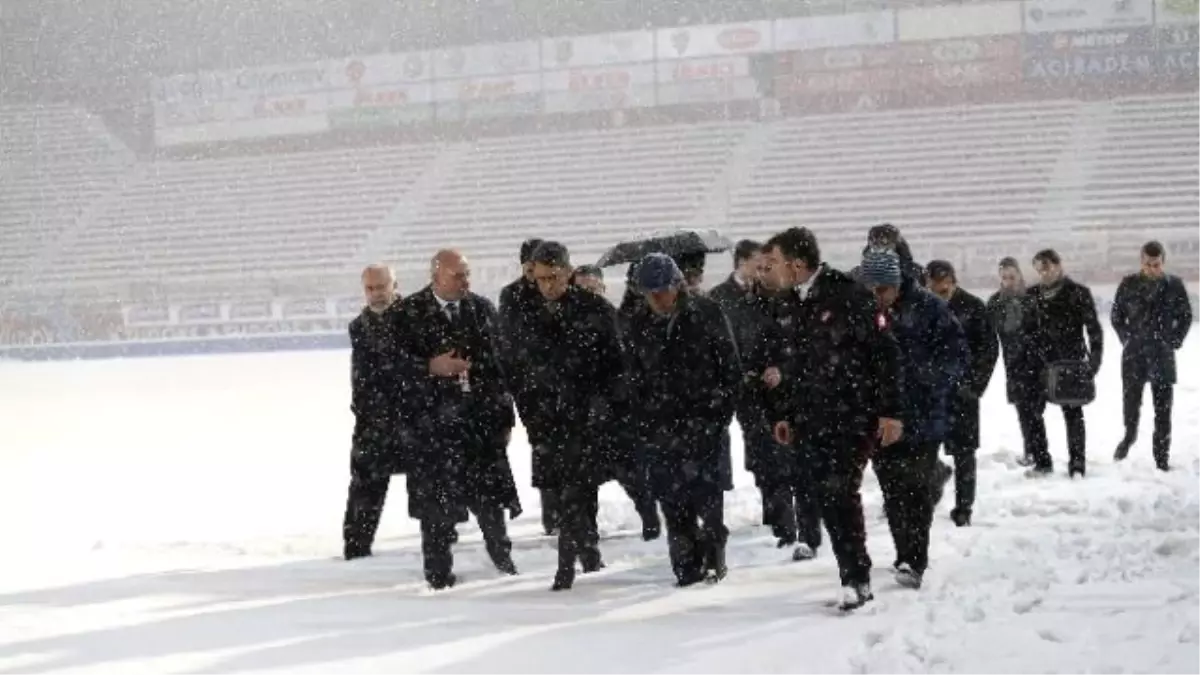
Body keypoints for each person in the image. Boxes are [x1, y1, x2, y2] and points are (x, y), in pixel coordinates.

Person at [762, 227, 904, 611]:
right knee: (827, 496)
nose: (769, 270)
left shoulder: (849, 293)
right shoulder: (788, 302)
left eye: (773, 262)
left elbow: (884, 354)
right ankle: (851, 572)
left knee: (841, 491)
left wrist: (890, 411)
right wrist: (785, 413)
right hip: (810, 419)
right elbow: (790, 363)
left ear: (796, 263)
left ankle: (856, 579)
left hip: (851, 415)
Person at [395, 250, 522, 590]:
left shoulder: (482, 309)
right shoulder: (407, 313)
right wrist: (428, 367)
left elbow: (500, 367)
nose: (466, 281)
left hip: (478, 425)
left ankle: (502, 561)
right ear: (436, 277)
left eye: (467, 274)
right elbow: (388, 369)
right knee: (435, 511)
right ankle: (438, 574)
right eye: (458, 276)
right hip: (431, 429)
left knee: (490, 503)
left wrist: (505, 417)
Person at [626, 253, 741, 586]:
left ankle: (714, 555)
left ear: (677, 285)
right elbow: (634, 380)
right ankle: (685, 565)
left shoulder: (707, 313)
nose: (659, 299)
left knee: (709, 501)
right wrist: (646, 424)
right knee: (674, 508)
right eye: (651, 293)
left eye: (663, 290)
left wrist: (717, 414)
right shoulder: (637, 324)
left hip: (704, 425)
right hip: (661, 431)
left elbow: (729, 370)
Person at [861, 251, 966, 590]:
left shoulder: (931, 309)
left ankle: (915, 558)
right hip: (881, 417)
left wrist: (921, 379)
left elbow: (955, 357)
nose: (878, 297)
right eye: (872, 290)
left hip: (924, 416)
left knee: (917, 489)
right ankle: (902, 550)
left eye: (883, 290)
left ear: (896, 284)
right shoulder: (863, 311)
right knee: (892, 489)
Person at [524, 241, 626, 591]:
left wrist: (603, 407)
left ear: (569, 271)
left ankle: (568, 565)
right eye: (541, 279)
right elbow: (519, 370)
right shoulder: (528, 314)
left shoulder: (596, 310)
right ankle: (585, 555)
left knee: (579, 493)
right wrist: (532, 416)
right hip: (549, 420)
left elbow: (617, 366)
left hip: (588, 418)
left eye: (554, 277)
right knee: (569, 494)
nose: (548, 285)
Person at [573, 261, 661, 540]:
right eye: (582, 288)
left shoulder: (617, 318)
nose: (589, 293)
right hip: (585, 415)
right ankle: (588, 535)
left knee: (634, 475)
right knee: (584, 481)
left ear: (602, 287)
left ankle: (650, 519)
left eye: (593, 287)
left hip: (619, 412)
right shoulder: (568, 323)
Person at [926, 260, 998, 527]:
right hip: (931, 392)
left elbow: (989, 349)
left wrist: (975, 386)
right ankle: (931, 489)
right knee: (924, 449)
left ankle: (964, 507)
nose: (939, 295)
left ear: (954, 282)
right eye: (934, 290)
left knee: (965, 452)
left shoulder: (973, 307)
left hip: (963, 392)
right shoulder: (922, 307)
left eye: (944, 290)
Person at [1022, 249, 1103, 478]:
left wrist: (1094, 362)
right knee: (1033, 412)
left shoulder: (1078, 293)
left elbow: (1094, 330)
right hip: (1040, 364)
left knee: (1073, 414)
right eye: (1039, 270)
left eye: (1046, 268)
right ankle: (1042, 462)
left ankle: (1077, 464)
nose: (1043, 273)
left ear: (1058, 265)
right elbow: (1026, 332)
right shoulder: (1031, 295)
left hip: (1071, 362)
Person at [1111, 241, 1192, 471]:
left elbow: (1185, 316)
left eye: (1156, 265)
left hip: (1162, 353)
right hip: (1134, 354)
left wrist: (1175, 340)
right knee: (1131, 406)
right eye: (1148, 264)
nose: (1152, 269)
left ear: (1163, 262)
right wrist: (1127, 338)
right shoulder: (1128, 284)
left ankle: (1161, 456)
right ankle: (1129, 438)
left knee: (1163, 411)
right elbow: (1116, 317)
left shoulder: (1174, 285)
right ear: (1141, 262)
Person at [343, 264, 406, 560]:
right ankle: (355, 549)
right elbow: (360, 378)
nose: (376, 294)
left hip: (417, 418)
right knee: (364, 486)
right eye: (370, 288)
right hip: (373, 422)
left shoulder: (418, 318)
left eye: (381, 287)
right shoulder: (359, 327)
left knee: (434, 485)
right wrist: (366, 413)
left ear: (394, 285)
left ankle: (445, 544)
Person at [498, 238, 558, 535]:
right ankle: (553, 514)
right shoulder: (512, 295)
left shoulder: (557, 286)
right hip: (531, 388)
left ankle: (571, 511)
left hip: (562, 382)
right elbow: (511, 341)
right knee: (544, 448)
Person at [986, 257, 1038, 467]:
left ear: (1019, 275)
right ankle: (1031, 450)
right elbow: (987, 336)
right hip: (1014, 363)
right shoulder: (995, 302)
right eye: (1005, 277)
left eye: (1012, 276)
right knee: (1024, 410)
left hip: (1037, 361)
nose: (1009, 281)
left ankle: (1038, 451)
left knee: (1036, 410)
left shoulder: (1033, 297)